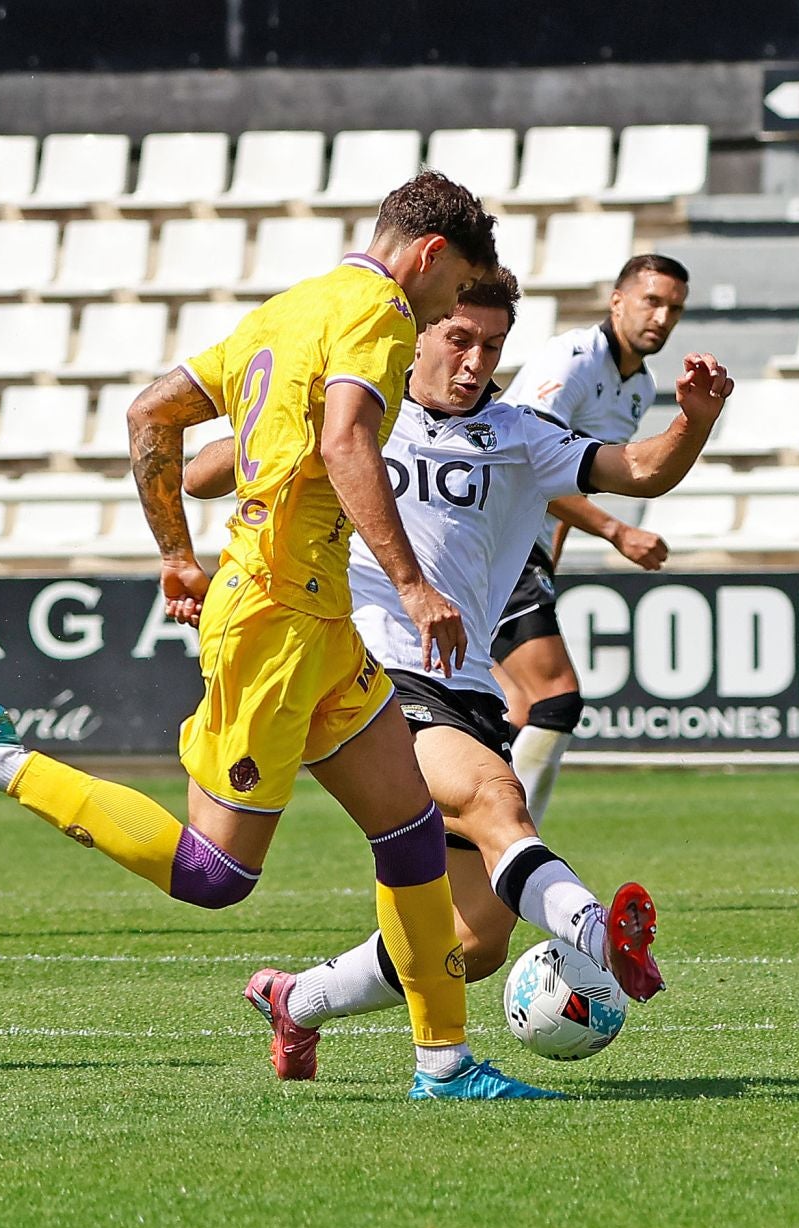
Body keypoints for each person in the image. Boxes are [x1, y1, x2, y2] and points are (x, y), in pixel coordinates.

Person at [0, 172, 558, 1100]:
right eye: (455, 287)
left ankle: (443, 1065)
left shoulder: (289, 308)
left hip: (316, 616)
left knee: (407, 834)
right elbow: (346, 442)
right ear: (431, 255)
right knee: (215, 873)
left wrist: (177, 555)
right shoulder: (381, 311)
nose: (448, 309)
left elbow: (151, 412)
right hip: (275, 619)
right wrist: (410, 582)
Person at [208, 269, 730, 1080]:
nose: (475, 361)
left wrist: (693, 423)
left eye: (492, 346)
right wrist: (195, 534)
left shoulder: (519, 433)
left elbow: (642, 469)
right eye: (459, 339)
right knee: (496, 797)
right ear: (419, 332)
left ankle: (297, 998)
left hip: (467, 687)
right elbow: (209, 468)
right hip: (369, 669)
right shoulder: (356, 414)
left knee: (475, 940)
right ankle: (600, 935)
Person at [494, 254, 690, 824]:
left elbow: (566, 484)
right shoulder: (573, 359)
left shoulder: (640, 388)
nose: (662, 317)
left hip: (523, 549)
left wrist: (546, 566)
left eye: (674, 308)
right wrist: (616, 531)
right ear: (618, 300)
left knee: (514, 708)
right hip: (492, 534)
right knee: (554, 699)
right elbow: (525, 463)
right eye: (652, 301)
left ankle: (471, 840)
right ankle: (508, 843)